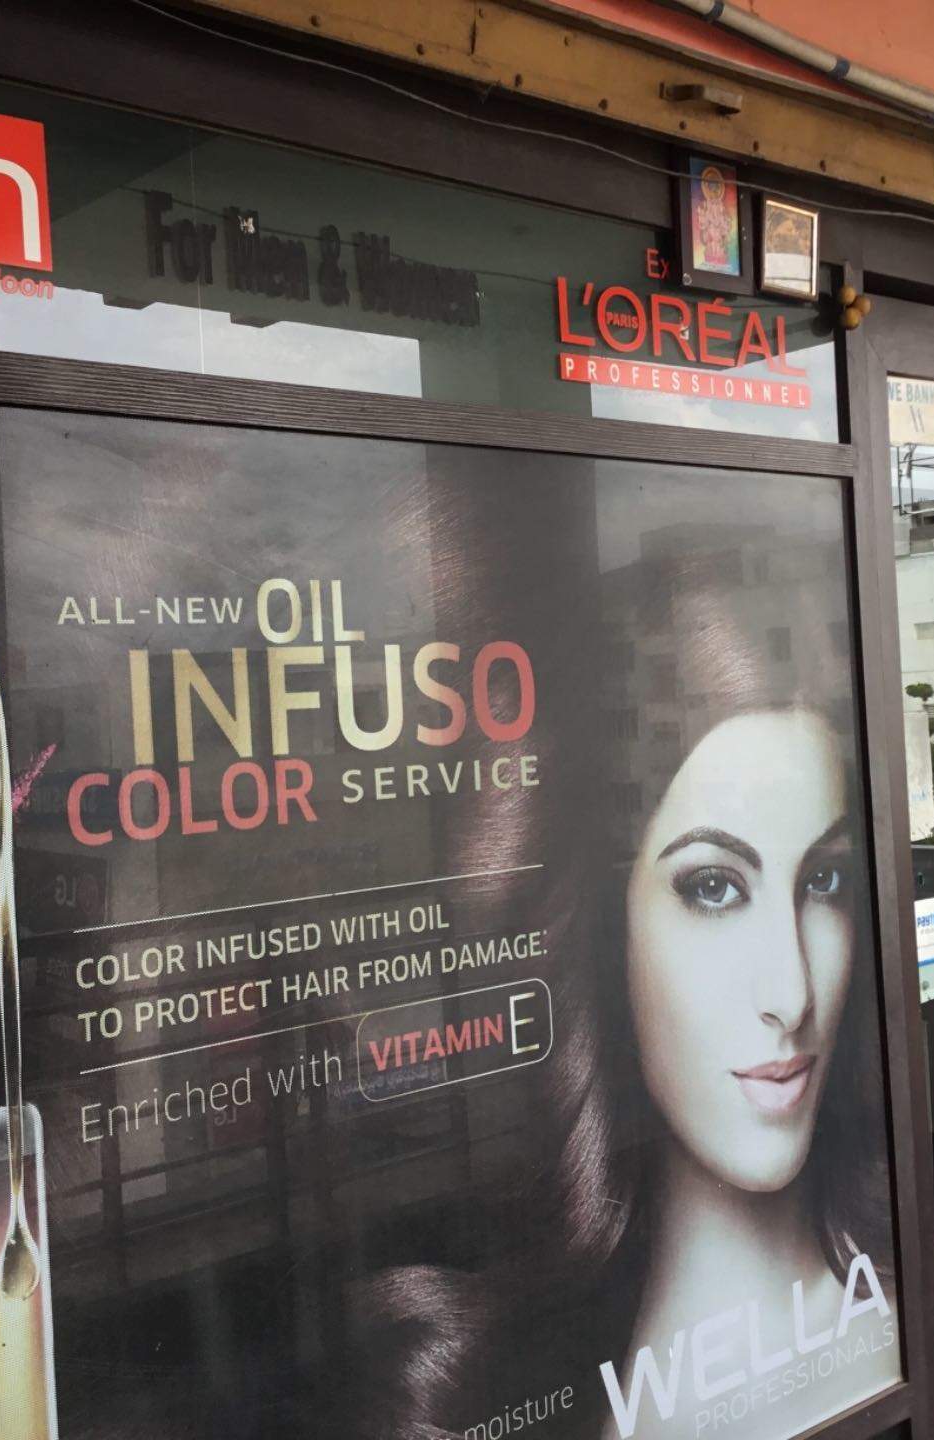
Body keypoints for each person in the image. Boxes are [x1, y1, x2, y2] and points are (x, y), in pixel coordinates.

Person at [351, 519, 900, 1440]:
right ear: (610, 928)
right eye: (713, 887)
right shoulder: (490, 1397)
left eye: (824, 882)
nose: (792, 993)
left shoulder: (911, 1303)